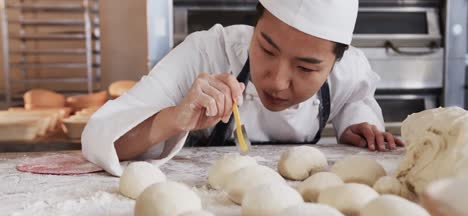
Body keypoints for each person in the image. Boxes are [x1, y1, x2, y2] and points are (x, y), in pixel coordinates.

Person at [82, 0, 404, 176]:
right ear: (256, 24)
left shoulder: (349, 70)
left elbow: (355, 97)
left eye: (306, 68)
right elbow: (98, 138)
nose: (276, 81)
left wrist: (355, 124)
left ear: (335, 63)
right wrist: (175, 118)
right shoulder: (205, 54)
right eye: (266, 49)